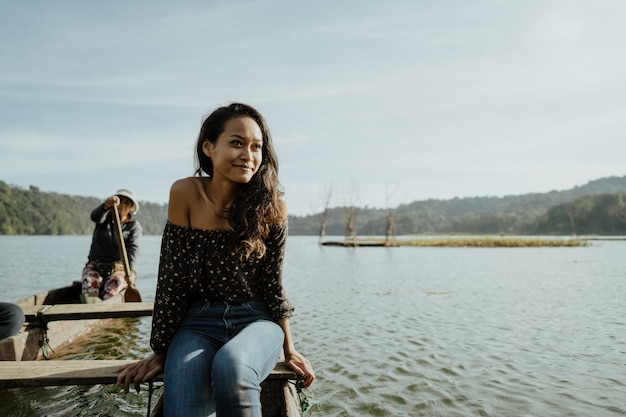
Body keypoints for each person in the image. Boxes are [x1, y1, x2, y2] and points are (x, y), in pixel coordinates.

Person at [116, 103, 315, 416]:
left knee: (232, 366)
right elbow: (172, 281)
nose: (248, 154)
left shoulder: (272, 205)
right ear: (208, 147)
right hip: (197, 322)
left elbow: (272, 283)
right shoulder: (185, 193)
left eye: (256, 146)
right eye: (237, 143)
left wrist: (290, 349)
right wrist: (161, 350)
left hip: (257, 320)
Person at [81, 189, 142, 302]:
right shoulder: (103, 217)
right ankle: (92, 309)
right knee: (89, 289)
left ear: (131, 207)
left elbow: (133, 249)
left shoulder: (133, 226)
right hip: (95, 265)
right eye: (120, 201)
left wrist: (132, 272)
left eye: (127, 203)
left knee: (111, 290)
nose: (122, 205)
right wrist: (105, 205)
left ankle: (107, 307)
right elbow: (95, 216)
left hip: (117, 268)